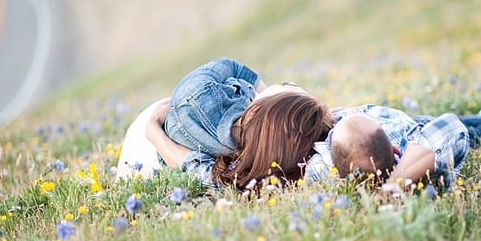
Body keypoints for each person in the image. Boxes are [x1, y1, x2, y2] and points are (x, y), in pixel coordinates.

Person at [117, 58, 334, 189]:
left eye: (286, 86)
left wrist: (152, 127)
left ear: (258, 109)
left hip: (147, 145)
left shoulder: (198, 101)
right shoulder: (276, 159)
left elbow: (227, 66)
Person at [306, 101, 481, 190]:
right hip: (406, 129)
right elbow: (450, 128)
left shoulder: (321, 169)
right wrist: (394, 185)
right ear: (395, 151)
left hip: (363, 130)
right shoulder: (428, 177)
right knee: (460, 129)